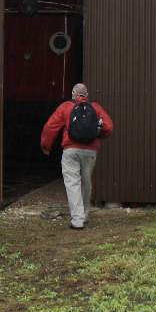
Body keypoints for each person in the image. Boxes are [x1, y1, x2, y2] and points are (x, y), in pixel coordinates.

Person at [40, 83, 115, 229]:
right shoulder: (96, 108)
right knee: (86, 183)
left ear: (74, 93)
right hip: (90, 152)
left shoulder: (66, 107)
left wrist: (45, 146)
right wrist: (99, 135)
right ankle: (85, 215)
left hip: (70, 151)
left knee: (73, 183)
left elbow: (50, 127)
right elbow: (109, 127)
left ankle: (77, 220)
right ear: (86, 95)